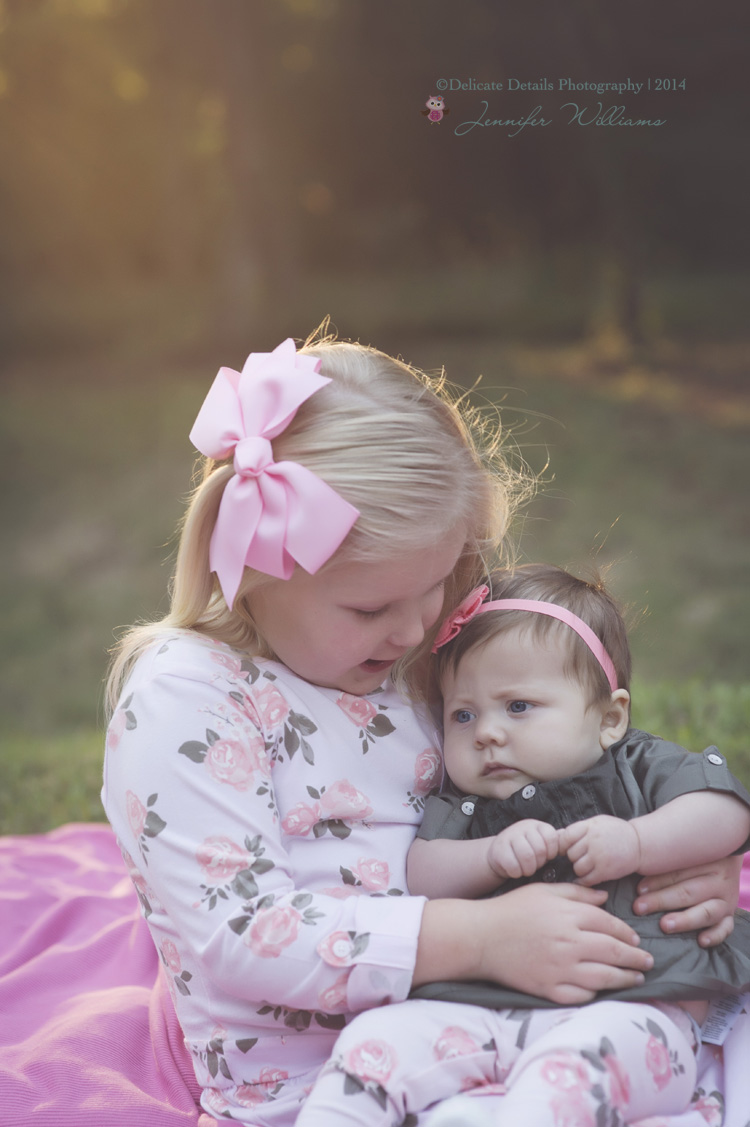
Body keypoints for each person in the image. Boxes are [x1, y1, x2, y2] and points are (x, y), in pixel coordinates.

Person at [103, 334, 741, 1127]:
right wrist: (478, 938)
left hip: (541, 1012)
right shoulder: (188, 695)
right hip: (330, 1079)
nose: (416, 630)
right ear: (256, 571)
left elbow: (556, 779)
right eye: (372, 607)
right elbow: (243, 931)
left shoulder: (413, 659)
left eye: (437, 587)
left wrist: (672, 875)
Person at [296, 564, 750, 1127]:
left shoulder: (638, 766)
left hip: (632, 1003)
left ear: (610, 718)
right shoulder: (466, 803)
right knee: (371, 1048)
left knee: (567, 1079)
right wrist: (486, 855)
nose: (486, 732)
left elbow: (724, 813)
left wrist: (636, 842)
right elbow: (422, 873)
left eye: (518, 707)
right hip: (478, 1005)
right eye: (463, 714)